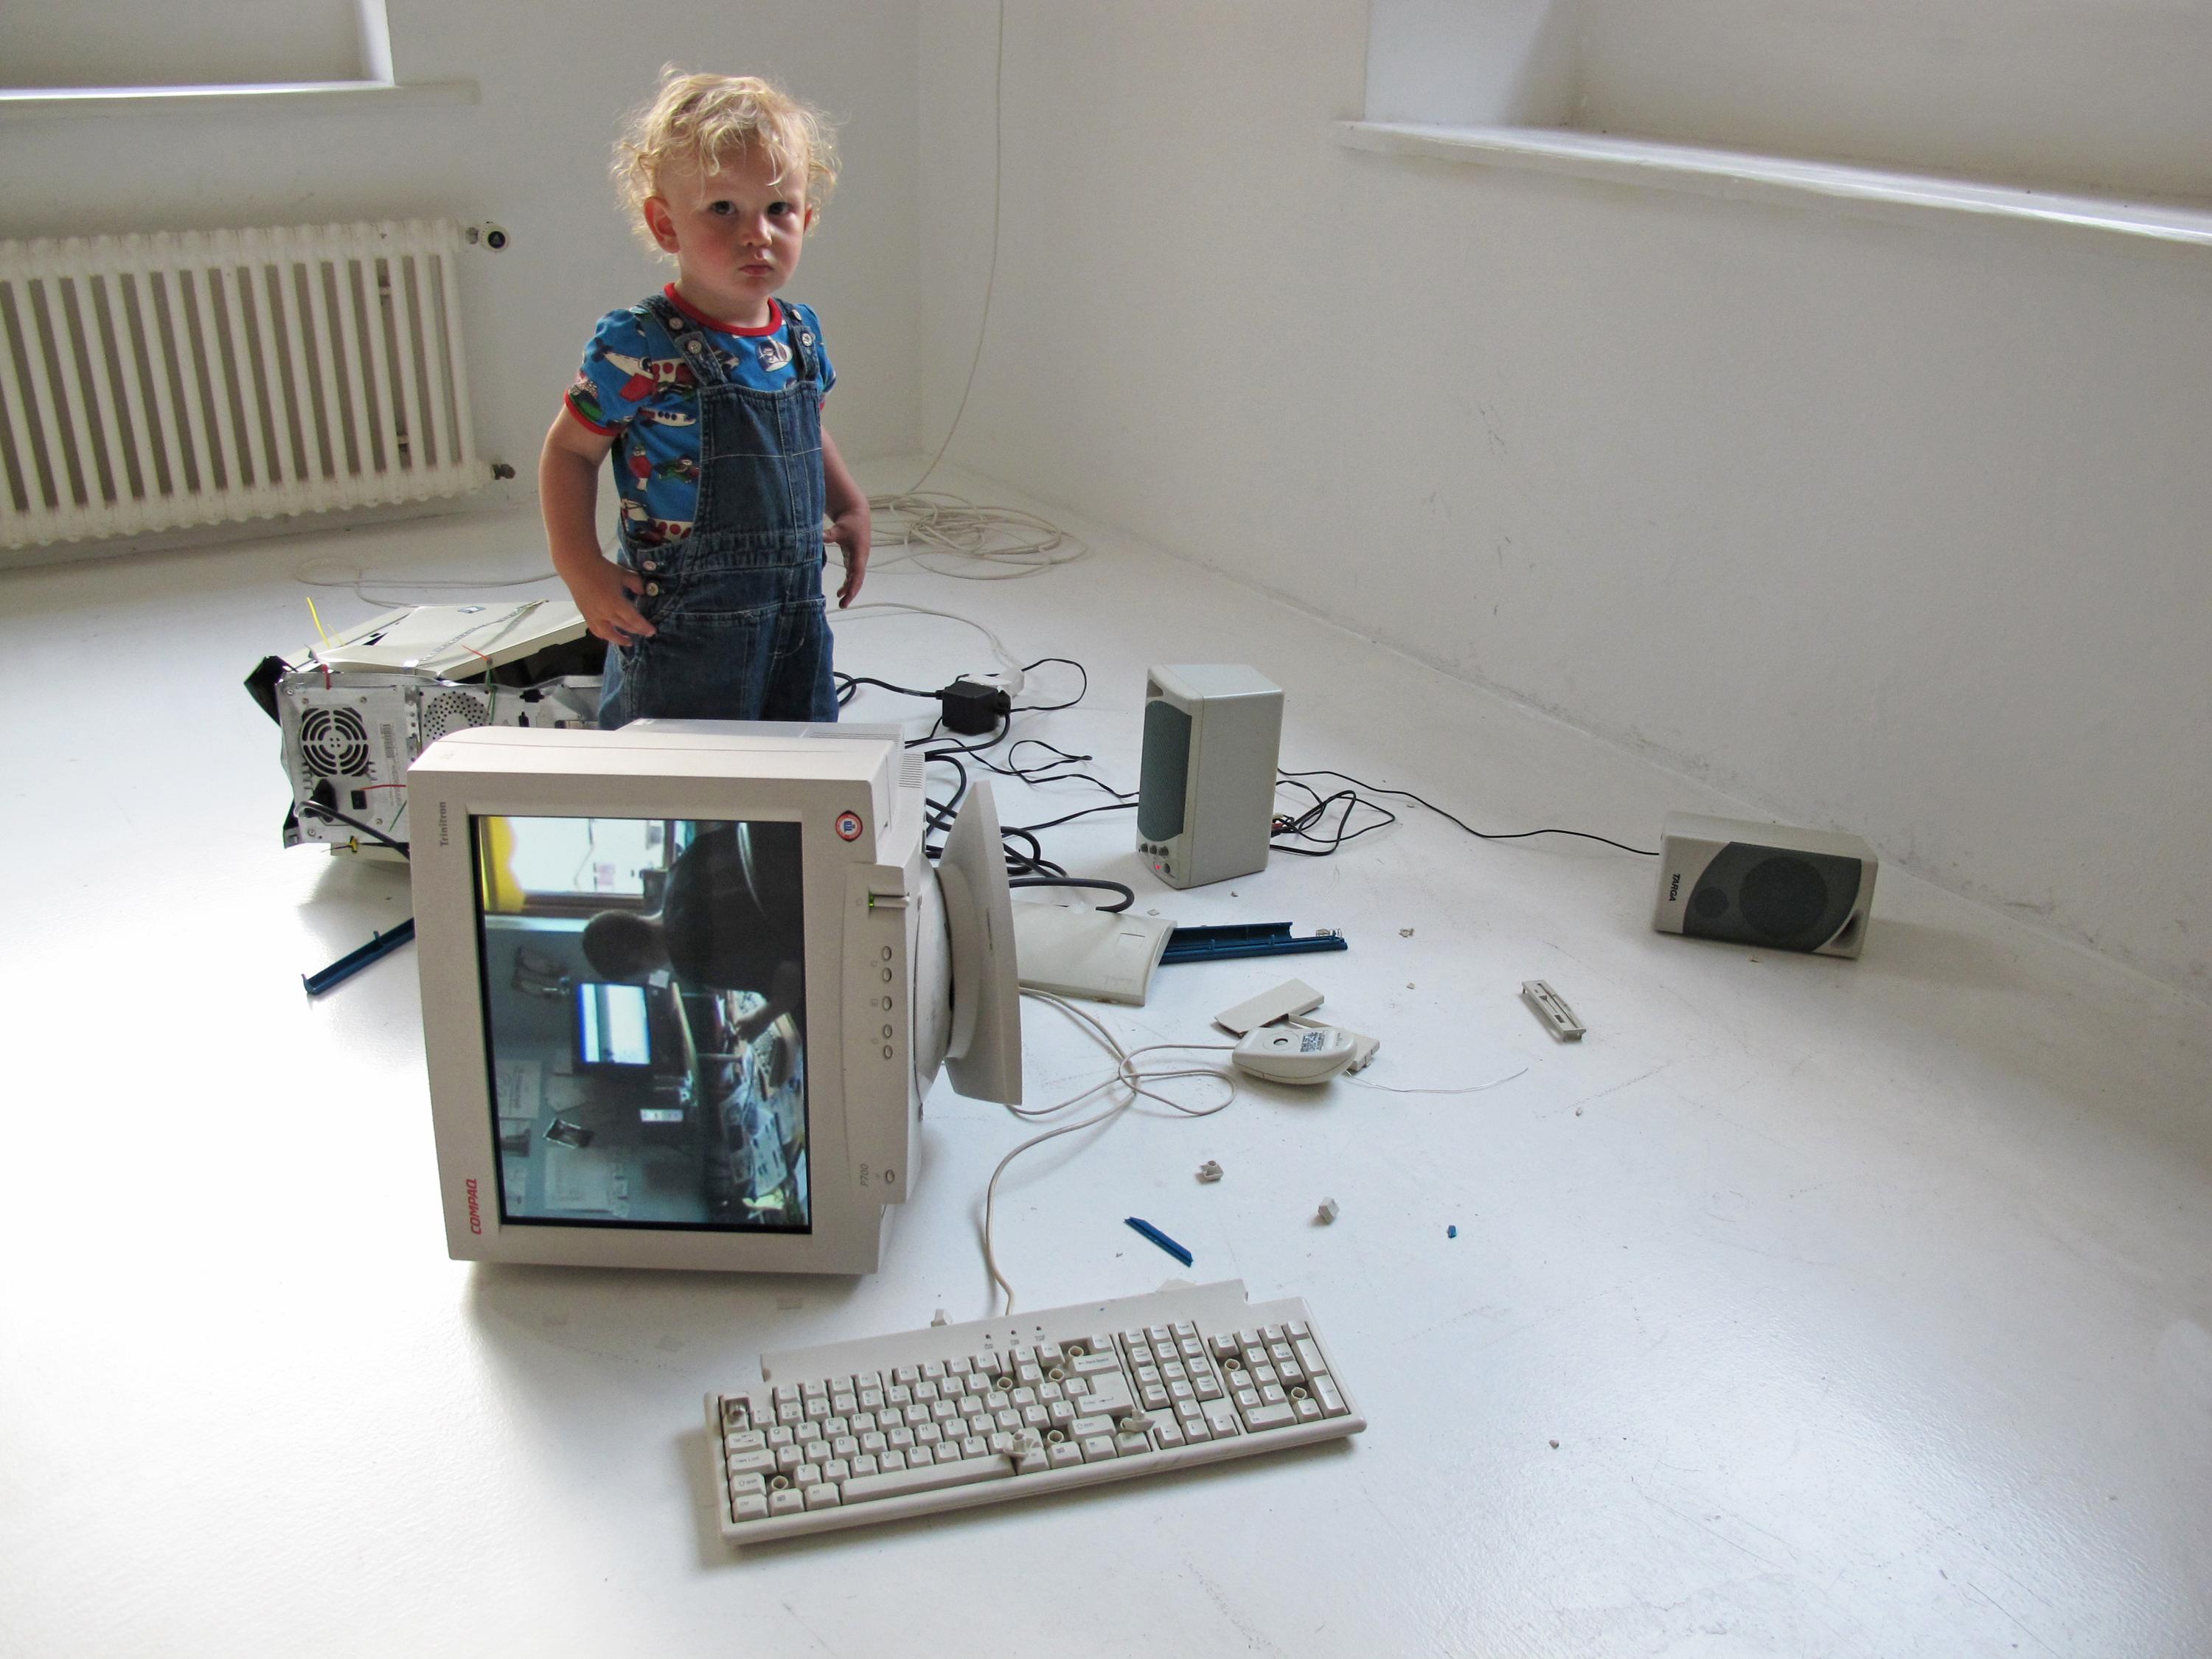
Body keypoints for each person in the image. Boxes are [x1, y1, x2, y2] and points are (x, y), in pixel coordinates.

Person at [540, 69, 871, 727]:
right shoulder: (639, 342)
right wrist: (580, 567)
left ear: (806, 216)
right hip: (681, 628)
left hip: (795, 620)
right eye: (724, 209)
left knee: (796, 771)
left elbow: (805, 431)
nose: (758, 233)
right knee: (672, 779)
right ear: (666, 225)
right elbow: (569, 453)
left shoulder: (799, 335)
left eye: (778, 209)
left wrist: (850, 503)